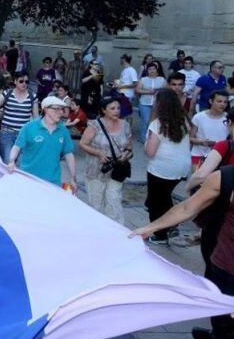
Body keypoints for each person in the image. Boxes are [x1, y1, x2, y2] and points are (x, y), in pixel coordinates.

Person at [130, 169, 234, 339]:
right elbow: (188, 207)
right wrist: (150, 228)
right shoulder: (225, 178)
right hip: (225, 270)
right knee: (227, 336)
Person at [144, 88, 191, 244]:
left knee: (155, 202)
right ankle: (172, 224)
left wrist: (145, 144)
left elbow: (150, 152)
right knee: (165, 198)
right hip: (182, 167)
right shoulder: (184, 120)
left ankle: (160, 233)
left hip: (161, 169)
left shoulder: (157, 124)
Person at [79, 97, 133, 224]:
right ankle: (97, 230)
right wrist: (98, 153)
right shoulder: (95, 125)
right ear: (104, 110)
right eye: (112, 108)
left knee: (114, 200)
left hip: (117, 171)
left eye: (118, 108)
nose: (116, 111)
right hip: (97, 169)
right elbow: (82, 144)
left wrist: (126, 155)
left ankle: (116, 231)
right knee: (96, 203)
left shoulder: (125, 125)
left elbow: (130, 148)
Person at [7, 96, 77, 192]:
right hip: (29, 180)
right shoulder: (29, 127)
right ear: (46, 109)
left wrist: (73, 178)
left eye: (62, 109)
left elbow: (69, 154)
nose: (61, 112)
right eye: (57, 109)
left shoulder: (63, 130)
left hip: (53, 182)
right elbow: (16, 147)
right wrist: (11, 161)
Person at [0, 71, 39, 163]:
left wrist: (37, 134)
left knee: (22, 163)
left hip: (24, 135)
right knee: (7, 161)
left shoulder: (32, 96)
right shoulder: (7, 93)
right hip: (7, 134)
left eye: (26, 82)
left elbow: (36, 118)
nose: (24, 84)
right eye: (21, 81)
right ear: (15, 81)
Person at [190, 90, 229, 170]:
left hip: (219, 157)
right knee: (198, 181)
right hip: (199, 155)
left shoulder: (228, 118)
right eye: (219, 101)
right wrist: (202, 142)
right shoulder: (198, 117)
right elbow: (190, 138)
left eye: (225, 102)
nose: (222, 104)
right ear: (211, 101)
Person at [135, 62, 166, 144]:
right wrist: (148, 92)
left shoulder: (162, 79)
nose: (152, 71)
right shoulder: (143, 79)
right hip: (145, 103)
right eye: (150, 69)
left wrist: (158, 91)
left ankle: (156, 138)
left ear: (156, 70)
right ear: (147, 70)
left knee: (157, 121)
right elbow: (138, 90)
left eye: (153, 69)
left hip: (158, 103)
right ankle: (144, 139)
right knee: (146, 120)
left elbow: (167, 90)